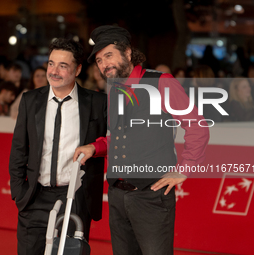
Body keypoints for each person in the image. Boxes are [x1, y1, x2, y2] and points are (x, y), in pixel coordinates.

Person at [73, 25, 209, 255]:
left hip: (151, 197)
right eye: (98, 60)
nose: (104, 64)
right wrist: (95, 147)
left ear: (127, 53)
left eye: (108, 55)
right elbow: (119, 138)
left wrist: (184, 169)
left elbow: (197, 125)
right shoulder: (115, 90)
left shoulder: (161, 82)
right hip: (117, 196)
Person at [9, 38, 107, 255]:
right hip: (34, 196)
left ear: (78, 69)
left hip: (75, 198)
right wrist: (20, 192)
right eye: (51, 63)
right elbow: (18, 148)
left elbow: (118, 138)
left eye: (63, 66)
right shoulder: (30, 100)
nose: (54, 71)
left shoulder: (97, 103)